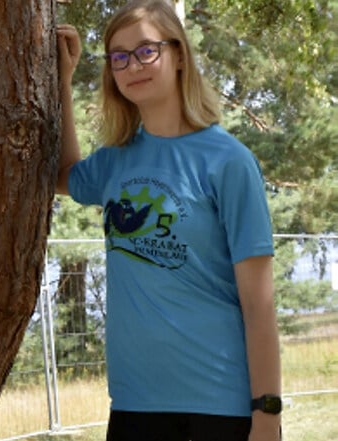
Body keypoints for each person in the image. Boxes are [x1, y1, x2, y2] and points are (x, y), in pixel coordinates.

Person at [55, 2, 282, 440]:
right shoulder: (115, 161)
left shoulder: (229, 161)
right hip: (134, 405)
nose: (131, 65)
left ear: (178, 55)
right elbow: (62, 174)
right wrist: (63, 82)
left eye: (146, 50)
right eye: (118, 56)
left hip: (221, 406)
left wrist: (267, 414)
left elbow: (260, 305)